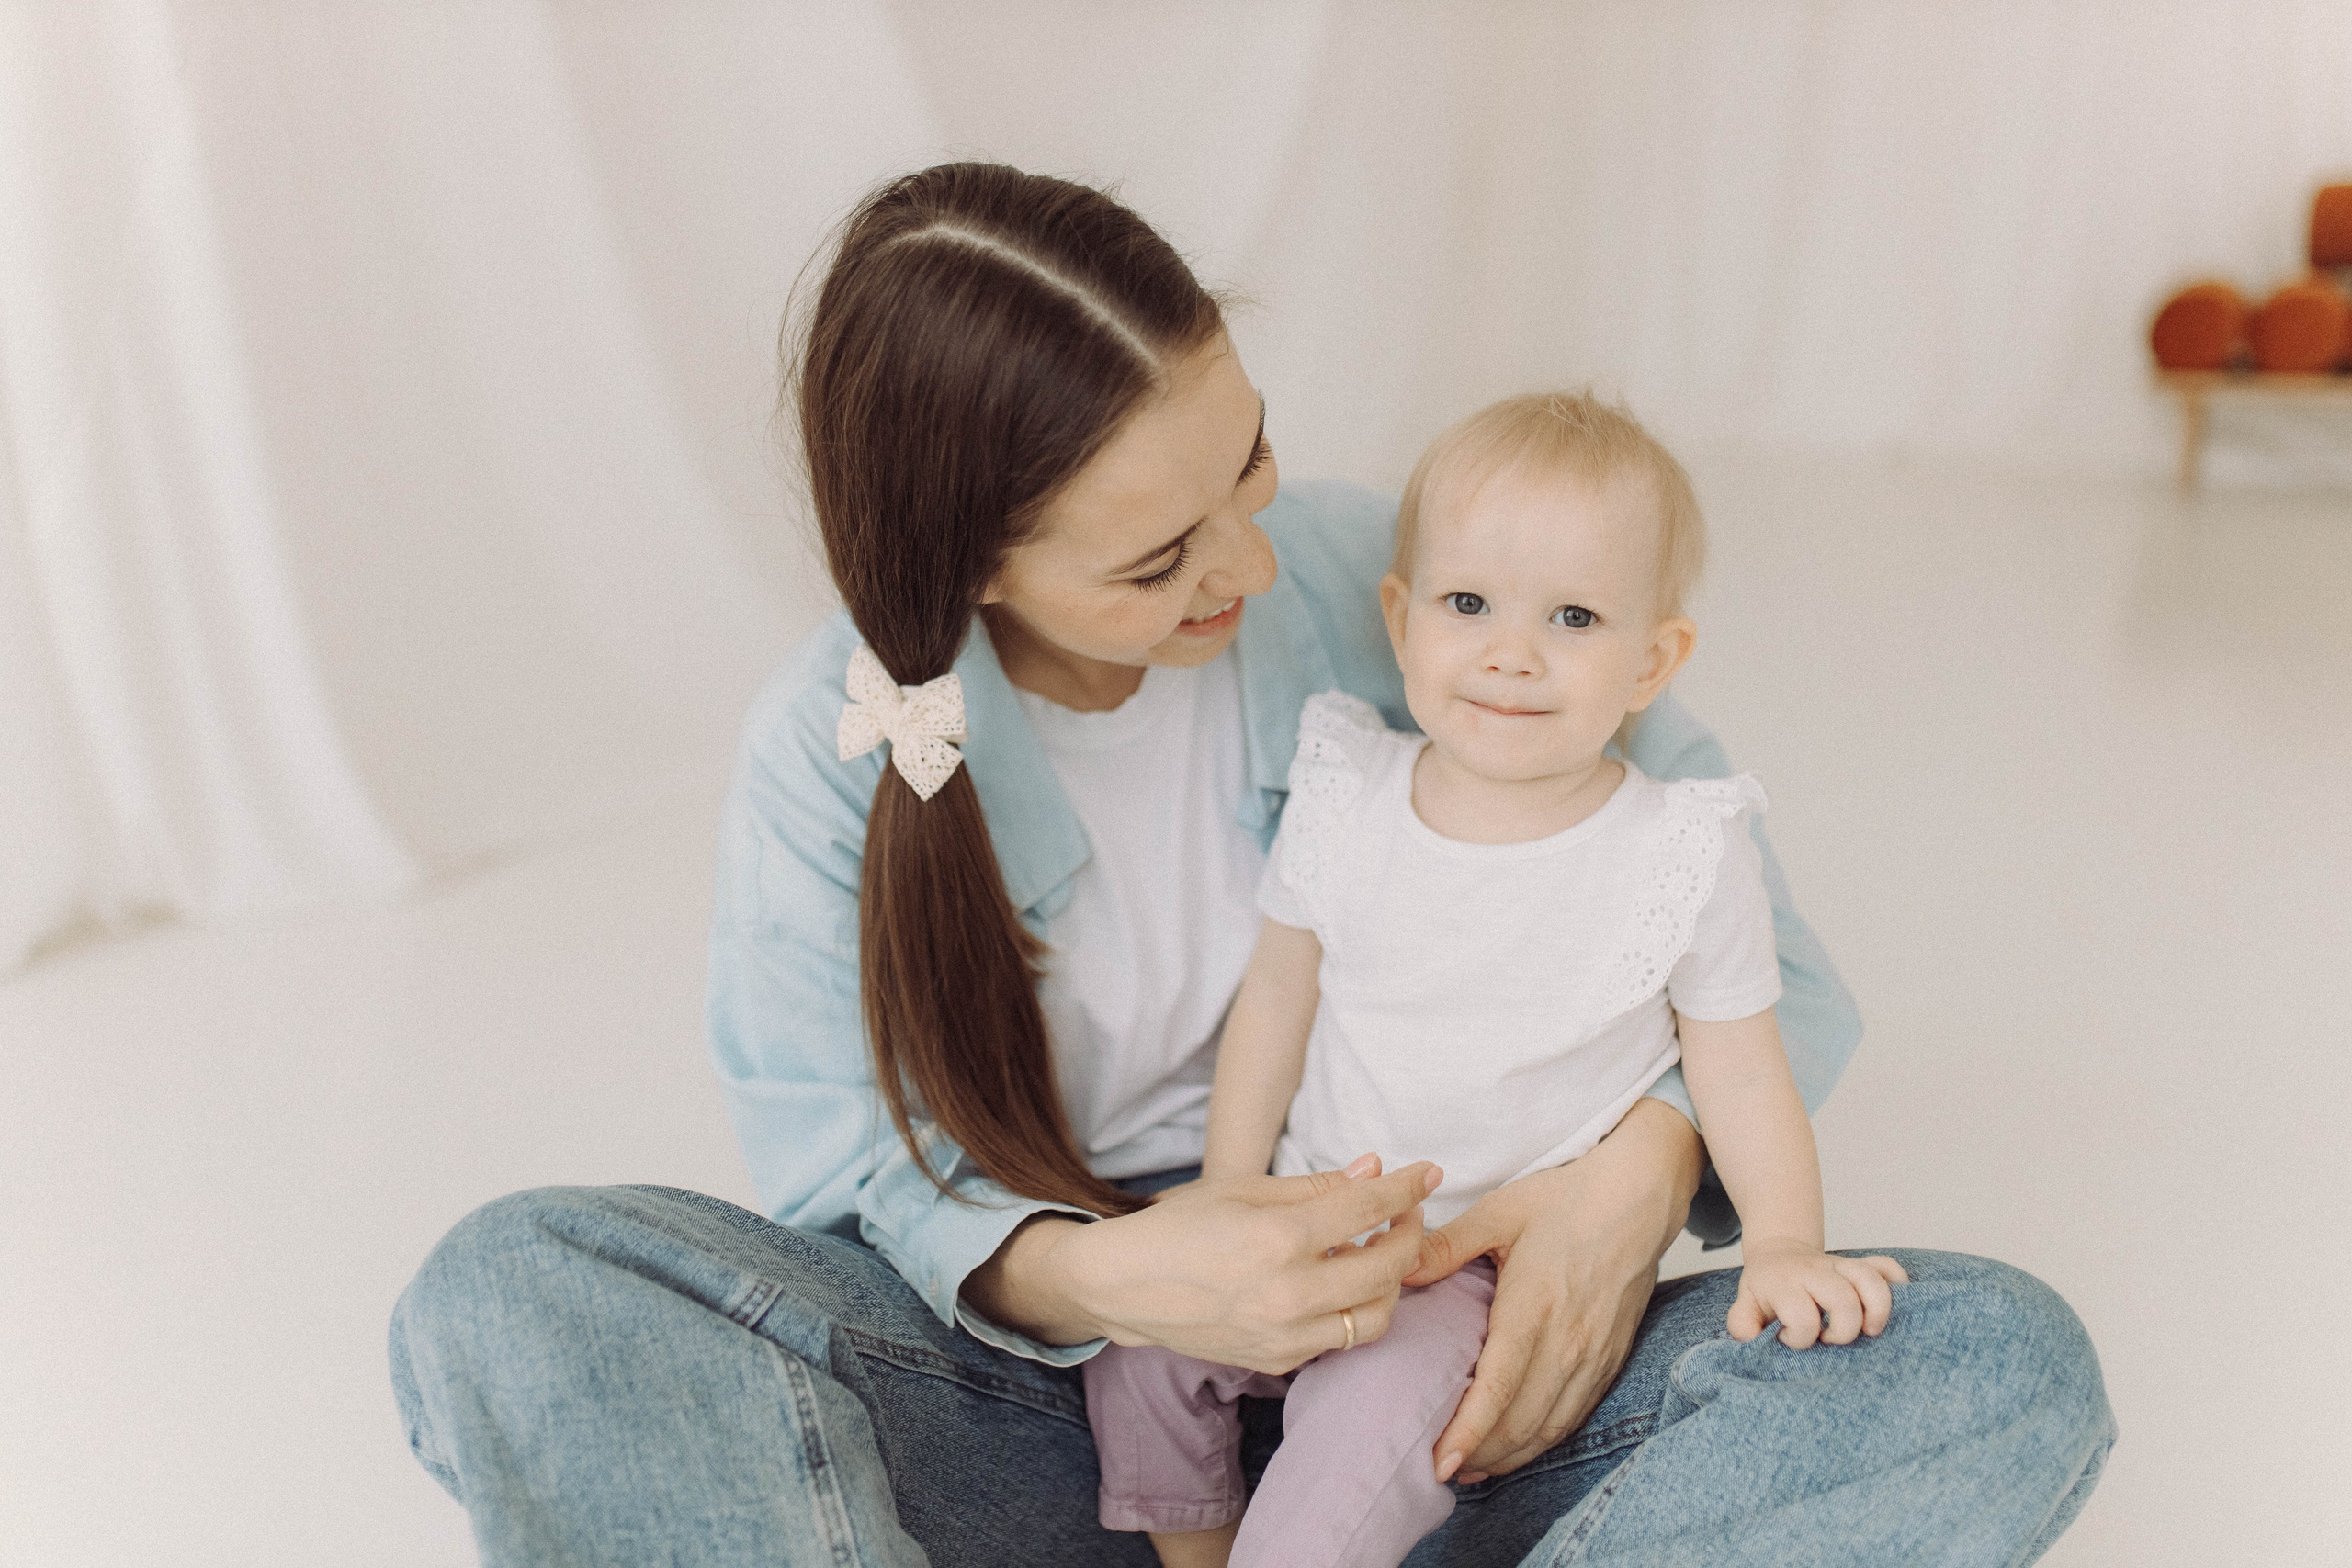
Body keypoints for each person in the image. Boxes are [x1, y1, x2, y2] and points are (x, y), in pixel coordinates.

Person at [388, 164, 2114, 1568]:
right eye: (1159, 559)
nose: (1251, 558)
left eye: (1250, 461)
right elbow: (842, 1180)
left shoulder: (1412, 584)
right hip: (1057, 1404)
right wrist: (1112, 1273)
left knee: (1994, 1358)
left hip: (1463, 1349)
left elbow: (1750, 937)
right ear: (977, 567)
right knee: (523, 1287)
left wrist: (1627, 1185)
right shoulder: (831, 747)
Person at [1080, 391, 1909, 1568]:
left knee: (1362, 1430)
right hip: (1310, 1209)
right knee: (1137, 1357)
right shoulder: (1348, 790)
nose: (1510, 653)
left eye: (1574, 617)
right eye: (1467, 605)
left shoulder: (1678, 849)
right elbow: (1274, 1002)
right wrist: (1227, 1193)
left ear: (1653, 660)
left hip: (1476, 1269)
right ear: (1400, 617)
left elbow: (1739, 1070)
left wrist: (1783, 1243)